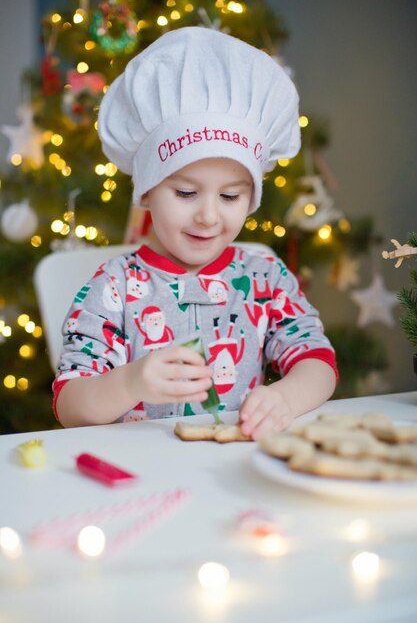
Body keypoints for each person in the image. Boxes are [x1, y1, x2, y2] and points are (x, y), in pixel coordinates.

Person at [54, 27, 338, 437]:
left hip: (237, 471)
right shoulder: (115, 287)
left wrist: (285, 399)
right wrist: (131, 381)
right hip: (143, 477)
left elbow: (317, 361)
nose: (208, 216)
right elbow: (69, 405)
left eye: (230, 196)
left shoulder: (265, 279)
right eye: (186, 192)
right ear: (147, 192)